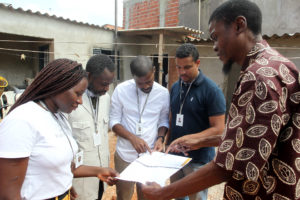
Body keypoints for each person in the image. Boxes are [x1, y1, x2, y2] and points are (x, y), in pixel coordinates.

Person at [141, 0, 300, 199]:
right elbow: (249, 138)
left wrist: (163, 193)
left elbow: (231, 165)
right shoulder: (278, 65)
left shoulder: (258, 77)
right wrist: (200, 140)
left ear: (239, 25)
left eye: (216, 37)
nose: (214, 46)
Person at [0, 58, 118, 200]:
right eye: (78, 94)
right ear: (57, 86)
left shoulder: (58, 117)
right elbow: (8, 194)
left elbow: (66, 166)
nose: (81, 101)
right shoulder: (22, 120)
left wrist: (96, 172)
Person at [167, 43, 226, 200]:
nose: (182, 72)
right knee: (178, 196)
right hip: (175, 157)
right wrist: (167, 142)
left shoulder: (212, 91)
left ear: (198, 63)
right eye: (178, 67)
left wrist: (191, 139)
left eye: (187, 67)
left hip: (198, 160)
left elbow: (219, 129)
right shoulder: (175, 87)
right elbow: (172, 118)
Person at [109, 55, 170, 200]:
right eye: (140, 83)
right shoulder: (121, 90)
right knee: (123, 196)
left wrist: (160, 138)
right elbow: (114, 121)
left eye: (148, 81)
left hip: (150, 156)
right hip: (125, 155)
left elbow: (163, 120)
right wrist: (132, 138)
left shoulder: (163, 93)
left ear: (154, 71)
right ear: (133, 77)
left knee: (148, 196)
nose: (146, 86)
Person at [67, 54, 115, 200]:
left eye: (109, 84)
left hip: (100, 177)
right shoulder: (71, 101)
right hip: (78, 180)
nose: (107, 88)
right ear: (89, 76)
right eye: (103, 83)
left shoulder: (106, 98)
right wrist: (66, 182)